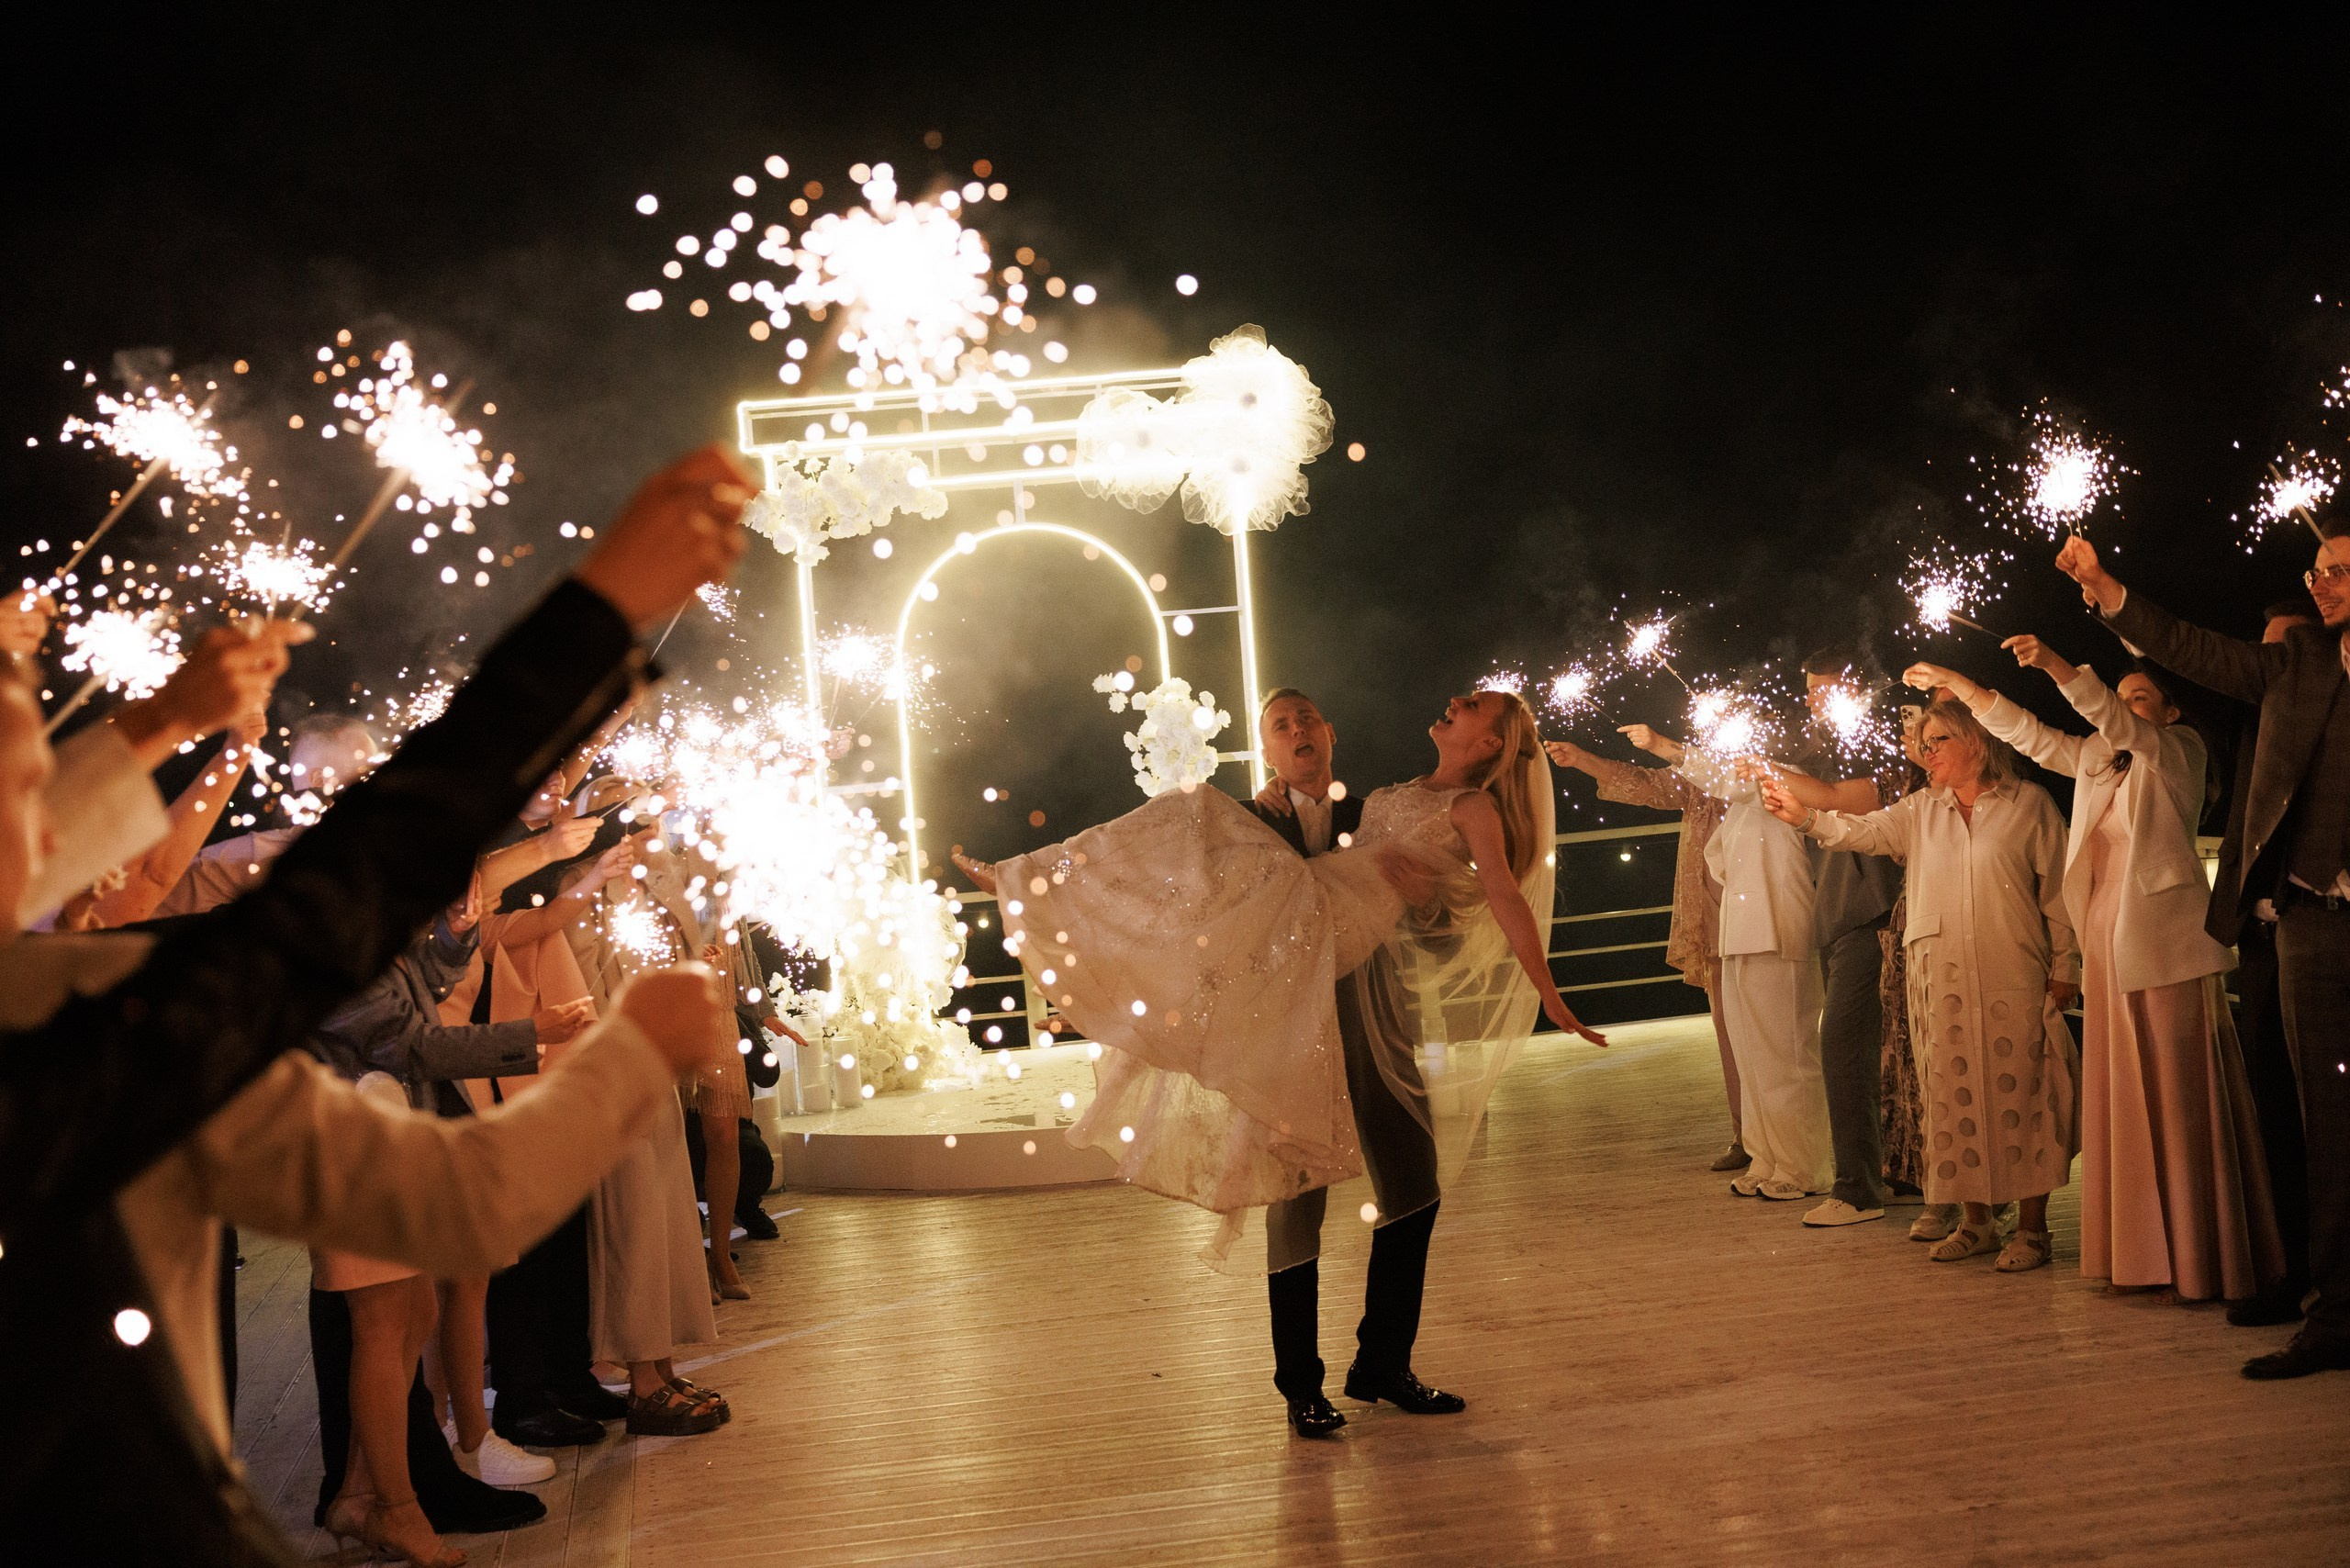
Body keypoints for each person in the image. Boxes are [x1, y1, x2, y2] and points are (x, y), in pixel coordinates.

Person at [0, 442, 754, 1562]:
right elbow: (454, 1175)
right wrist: (594, 621)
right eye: (27, 782)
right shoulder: (73, 1020)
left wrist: (164, 721)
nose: (55, 817)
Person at [957, 688, 1602, 1436]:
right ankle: (1301, 1385)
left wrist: (1507, 960)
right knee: (1294, 1191)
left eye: (1307, 722)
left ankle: (1383, 1363)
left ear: (1331, 735)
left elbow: (1448, 897)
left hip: (1373, 1012)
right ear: (1265, 750)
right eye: (1281, 725)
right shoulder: (1247, 824)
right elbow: (1196, 913)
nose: (1298, 732)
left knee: (1414, 1182)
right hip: (1288, 1025)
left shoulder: (1376, 807)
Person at [2056, 530, 2350, 1378]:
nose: (2321, 584)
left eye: (2338, 572)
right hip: (2318, 919)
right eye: (2315, 571)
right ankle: (2335, 1311)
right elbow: (2186, 646)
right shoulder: (2296, 664)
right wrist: (2107, 587)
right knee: (2325, 1121)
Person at [1914, 640, 2284, 1303]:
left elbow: (2117, 723)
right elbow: (2026, 734)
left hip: (2163, 942)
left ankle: (2201, 1256)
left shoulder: (2179, 751)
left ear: (2169, 712)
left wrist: (2058, 665)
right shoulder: (2096, 761)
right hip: (2108, 939)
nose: (2123, 706)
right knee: (2125, 1097)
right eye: (2123, 694)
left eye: (2139, 696)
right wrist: (1964, 688)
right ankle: (2138, 1254)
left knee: (2175, 1096)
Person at [1762, 695, 2080, 1272]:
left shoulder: (2028, 805)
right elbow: (1862, 832)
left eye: (1939, 742)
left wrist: (2066, 966)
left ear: (1977, 743)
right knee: (1952, 1097)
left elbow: (2059, 892)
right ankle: (1976, 1221)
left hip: (2013, 966)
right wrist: (1805, 819)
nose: (1925, 752)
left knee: (2025, 1095)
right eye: (1923, 742)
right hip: (1942, 974)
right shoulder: (1920, 810)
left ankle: (2033, 1229)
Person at [1740, 650, 1908, 1228]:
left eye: (1824, 690)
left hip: (1876, 913)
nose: (1813, 702)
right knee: (1868, 1051)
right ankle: (1892, 1174)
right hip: (1836, 918)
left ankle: (1858, 1189)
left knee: (1844, 1045)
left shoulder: (1881, 740)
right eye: (1808, 691)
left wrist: (1769, 770)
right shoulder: (1823, 748)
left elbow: (1847, 798)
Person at [1639, 721, 1832, 1202]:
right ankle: (1766, 1155)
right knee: (1752, 1057)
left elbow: (1729, 780)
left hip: (1780, 930)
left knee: (1787, 1054)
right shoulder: (1742, 805)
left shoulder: (1782, 781)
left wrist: (1664, 745)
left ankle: (1803, 1165)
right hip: (1741, 933)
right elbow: (1719, 858)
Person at [1547, 725, 1747, 1170]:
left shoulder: (1764, 774)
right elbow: (1645, 785)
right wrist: (1582, 759)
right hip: (1714, 922)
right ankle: (1746, 1133)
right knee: (1729, 1030)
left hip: (1766, 921)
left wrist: (1659, 744)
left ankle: (1782, 1135)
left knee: (1774, 1032)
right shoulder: (1698, 782)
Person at [2210, 599, 2324, 1327]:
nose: (2270, 664)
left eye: (2286, 650)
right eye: (2264, 651)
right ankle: (2292, 1272)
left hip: (2320, 929)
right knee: (2274, 1110)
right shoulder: (2253, 719)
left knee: (2327, 1114)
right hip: (2258, 939)